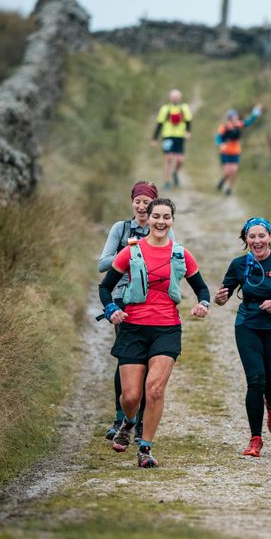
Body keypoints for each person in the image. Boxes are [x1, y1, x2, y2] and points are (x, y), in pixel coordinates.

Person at [98, 197, 210, 468]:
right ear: (147, 219)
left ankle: (145, 448)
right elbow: (105, 287)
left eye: (166, 217)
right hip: (133, 327)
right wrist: (112, 308)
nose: (161, 222)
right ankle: (129, 420)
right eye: (156, 216)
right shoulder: (131, 251)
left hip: (166, 328)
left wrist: (203, 304)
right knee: (132, 396)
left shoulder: (180, 254)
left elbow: (202, 288)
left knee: (155, 390)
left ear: (172, 220)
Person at [98, 181, 174, 442]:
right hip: (122, 298)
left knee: (148, 364)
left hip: (153, 302)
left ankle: (141, 420)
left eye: (146, 202)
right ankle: (122, 417)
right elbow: (102, 264)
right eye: (138, 201)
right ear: (132, 203)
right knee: (127, 360)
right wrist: (131, 253)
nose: (141, 207)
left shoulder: (161, 228)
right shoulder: (120, 229)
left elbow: (174, 261)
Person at [214, 217, 271, 457]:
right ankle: (255, 439)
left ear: (270, 237)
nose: (257, 241)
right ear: (246, 240)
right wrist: (219, 299)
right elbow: (223, 297)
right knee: (255, 381)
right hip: (248, 326)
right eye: (252, 236)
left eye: (262, 236)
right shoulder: (239, 264)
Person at [215, 104, 262, 195]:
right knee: (228, 171)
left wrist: (255, 112)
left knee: (235, 171)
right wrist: (221, 144)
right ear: (230, 118)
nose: (236, 117)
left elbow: (249, 122)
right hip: (225, 152)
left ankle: (229, 189)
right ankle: (223, 180)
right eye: (234, 116)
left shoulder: (238, 124)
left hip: (235, 152)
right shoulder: (224, 126)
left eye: (236, 116)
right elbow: (218, 137)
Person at [151, 89, 193, 190]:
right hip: (168, 136)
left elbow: (188, 121)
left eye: (177, 96)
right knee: (168, 158)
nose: (175, 98)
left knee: (180, 160)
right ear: (170, 98)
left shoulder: (184, 108)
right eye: (173, 96)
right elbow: (159, 124)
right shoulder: (165, 109)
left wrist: (188, 132)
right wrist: (154, 138)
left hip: (180, 137)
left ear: (180, 97)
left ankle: (175, 173)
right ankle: (167, 182)